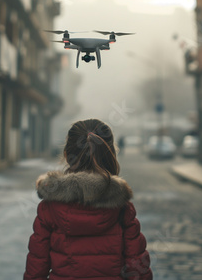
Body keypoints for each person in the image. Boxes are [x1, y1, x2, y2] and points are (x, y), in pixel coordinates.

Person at [24, 119, 153, 280]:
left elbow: (37, 268)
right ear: (111, 154)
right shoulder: (122, 207)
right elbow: (137, 268)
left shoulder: (49, 208)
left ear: (67, 154)